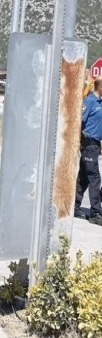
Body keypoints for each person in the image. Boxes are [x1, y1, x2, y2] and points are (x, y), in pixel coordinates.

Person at [74, 77, 102, 226]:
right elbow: (79, 121)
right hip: (88, 144)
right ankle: (95, 212)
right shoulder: (90, 101)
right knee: (94, 178)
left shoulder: (100, 102)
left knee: (84, 177)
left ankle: (74, 206)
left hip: (95, 145)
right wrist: (80, 142)